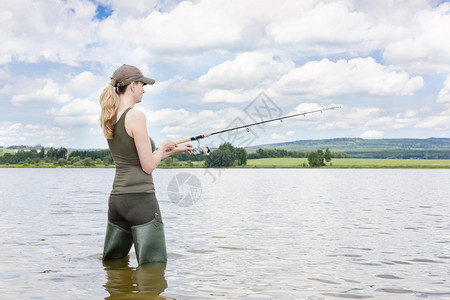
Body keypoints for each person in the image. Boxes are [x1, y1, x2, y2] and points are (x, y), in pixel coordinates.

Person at [99, 64, 194, 265]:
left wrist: (175, 149)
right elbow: (148, 166)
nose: (144, 90)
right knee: (154, 267)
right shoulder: (135, 115)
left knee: (113, 265)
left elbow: (137, 159)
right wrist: (160, 147)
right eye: (143, 85)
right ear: (132, 86)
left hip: (117, 202)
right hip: (140, 201)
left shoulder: (110, 116)